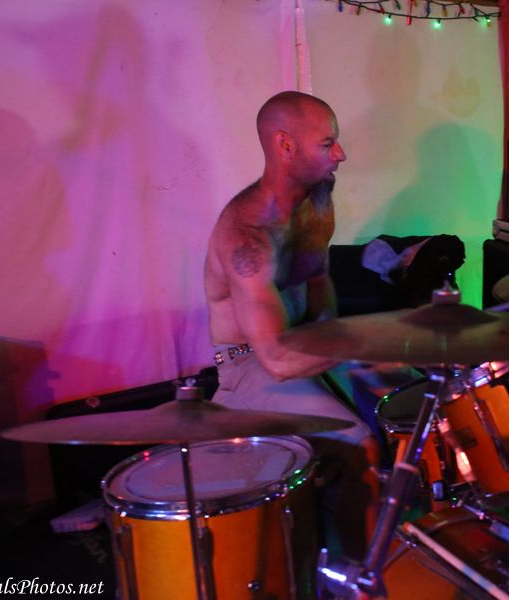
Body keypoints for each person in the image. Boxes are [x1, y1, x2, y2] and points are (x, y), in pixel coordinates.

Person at [203, 91, 380, 562]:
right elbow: (277, 361)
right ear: (285, 146)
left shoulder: (317, 201)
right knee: (360, 445)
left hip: (308, 345)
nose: (340, 154)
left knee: (410, 406)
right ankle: (362, 578)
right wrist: (368, 340)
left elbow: (318, 280)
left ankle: (387, 533)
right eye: (327, 144)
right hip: (250, 367)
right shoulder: (247, 235)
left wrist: (346, 345)